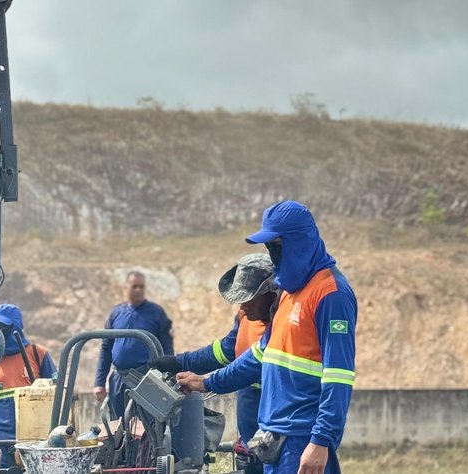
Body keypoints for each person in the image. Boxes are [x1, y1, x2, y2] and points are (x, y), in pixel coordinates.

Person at [177, 200, 357, 474]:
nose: (273, 255)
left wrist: (321, 440)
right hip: (274, 438)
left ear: (299, 241)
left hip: (302, 439)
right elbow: (258, 356)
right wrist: (206, 382)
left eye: (277, 246)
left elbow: (339, 375)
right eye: (268, 247)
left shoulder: (331, 294)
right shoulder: (290, 292)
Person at [150, 253, 277, 474]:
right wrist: (179, 362)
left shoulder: (284, 325)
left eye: (248, 298)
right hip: (251, 434)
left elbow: (250, 367)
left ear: (270, 293)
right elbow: (224, 352)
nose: (243, 306)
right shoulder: (246, 316)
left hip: (275, 428)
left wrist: (206, 382)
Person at [0, 304, 57, 469]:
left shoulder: (38, 354)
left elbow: (59, 398)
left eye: (4, 327)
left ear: (17, 327)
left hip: (37, 439)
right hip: (0, 441)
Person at [94, 270, 175, 418]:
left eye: (141, 287)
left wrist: (168, 376)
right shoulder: (116, 313)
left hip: (147, 377)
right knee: (118, 422)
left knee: (148, 423)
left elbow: (167, 347)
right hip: (120, 376)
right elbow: (106, 349)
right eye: (134, 286)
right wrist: (99, 383)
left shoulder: (156, 313)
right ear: (126, 287)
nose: (138, 290)